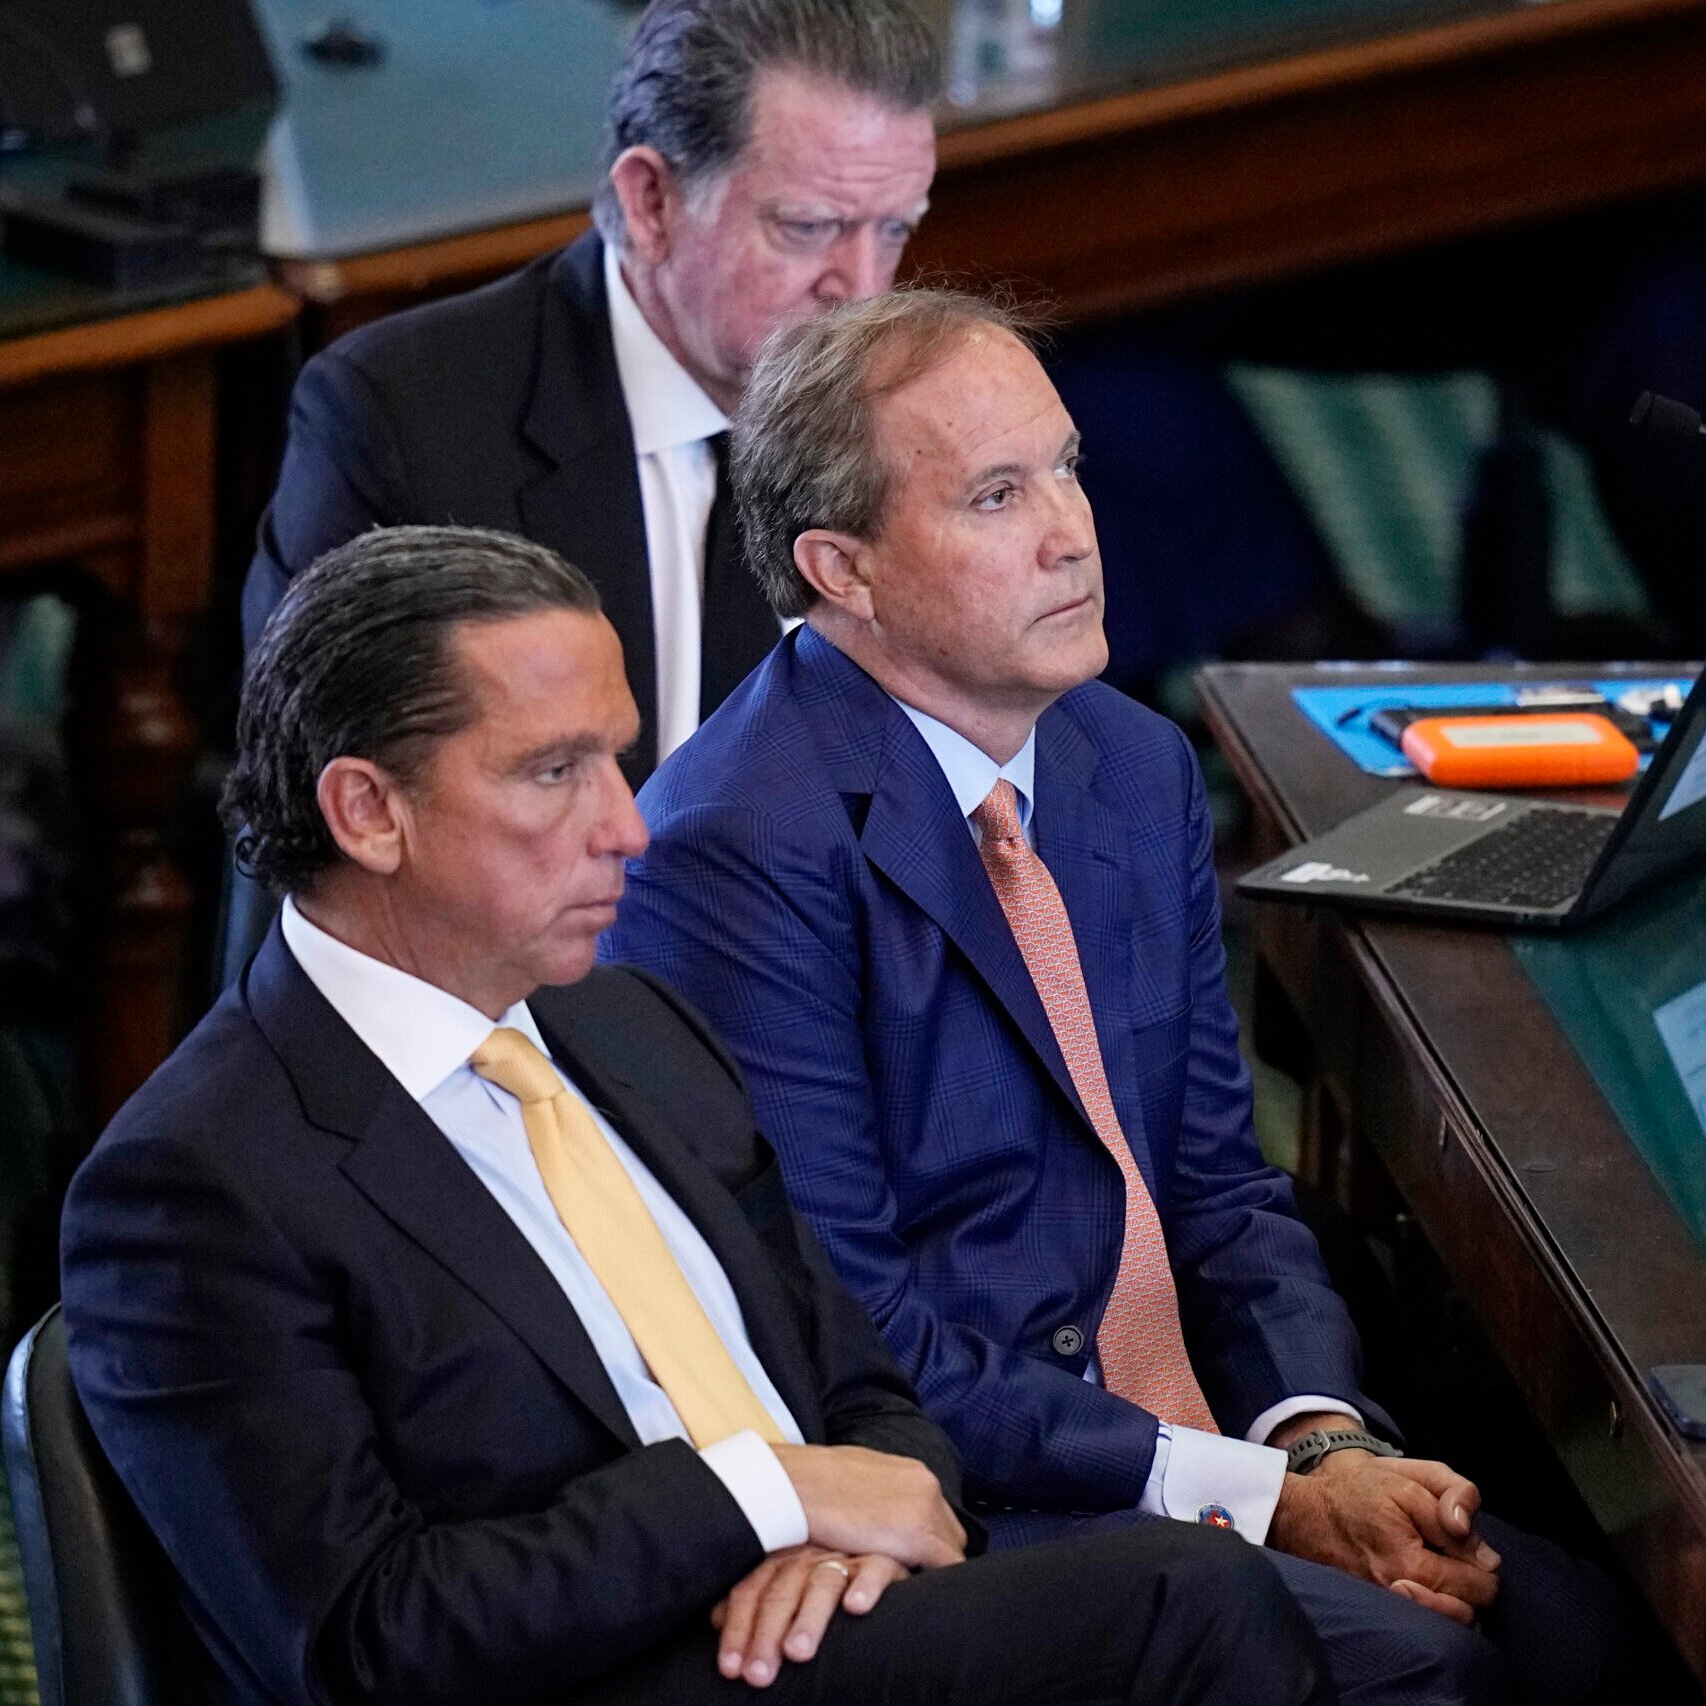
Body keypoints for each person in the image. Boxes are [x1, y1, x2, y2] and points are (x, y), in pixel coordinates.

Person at [60, 525, 1335, 1706]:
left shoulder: (629, 1026)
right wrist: (760, 1494)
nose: (625, 826)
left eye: (615, 759)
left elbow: (864, 1384)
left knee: (1499, 1615)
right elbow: (363, 1637)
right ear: (365, 811)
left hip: (840, 1616)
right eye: (553, 773)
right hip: (608, 1674)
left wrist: (841, 1535)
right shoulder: (196, 1183)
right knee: (1196, 1604)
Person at [604, 290, 1630, 1706]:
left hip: (1211, 1447)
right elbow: (857, 1332)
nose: (1072, 529)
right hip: (1008, 1512)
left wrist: (1324, 1441)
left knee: (1580, 1625)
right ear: (839, 567)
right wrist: (1254, 1495)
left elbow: (1217, 1187)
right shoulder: (737, 849)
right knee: (1435, 1672)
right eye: (994, 494)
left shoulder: (1127, 763)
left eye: (1067, 466)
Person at [242, 0, 939, 782]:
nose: (865, 290)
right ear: (651, 202)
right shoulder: (399, 426)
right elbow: (313, 811)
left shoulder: (905, 412)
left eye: (893, 231)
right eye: (808, 227)